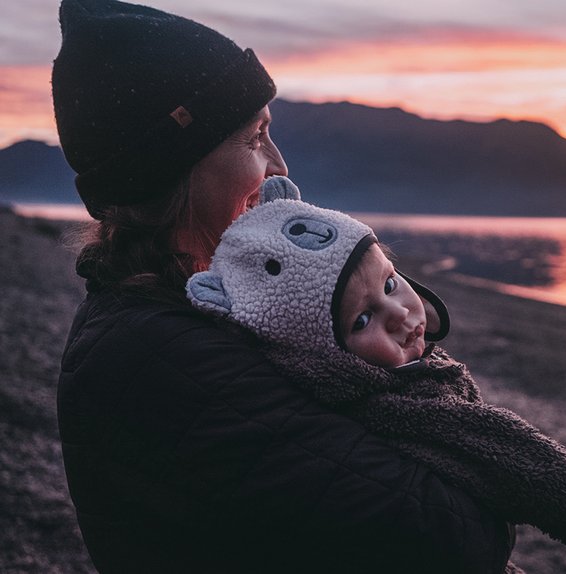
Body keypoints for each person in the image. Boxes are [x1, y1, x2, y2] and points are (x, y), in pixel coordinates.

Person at [53, 0, 514, 573]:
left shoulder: (180, 310)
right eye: (254, 139)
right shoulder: (156, 353)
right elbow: (458, 535)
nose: (279, 165)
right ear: (174, 170)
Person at [187, 176, 566, 560]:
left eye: (391, 283)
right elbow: (515, 459)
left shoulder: (407, 375)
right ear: (322, 355)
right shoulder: (392, 408)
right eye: (362, 320)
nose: (398, 313)